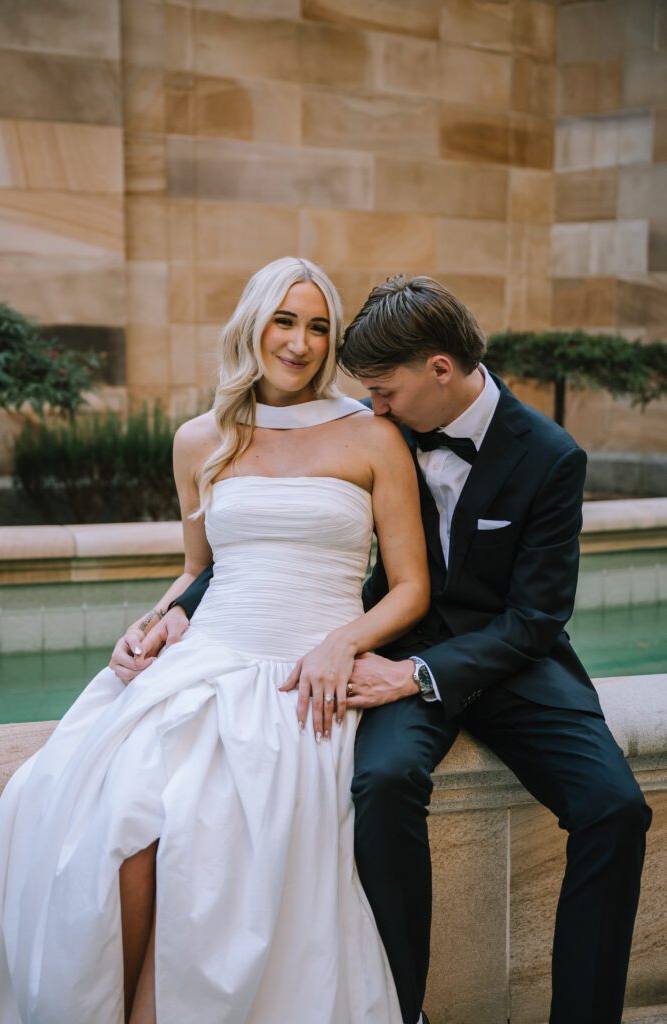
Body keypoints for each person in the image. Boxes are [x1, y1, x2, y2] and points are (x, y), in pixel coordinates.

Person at [141, 275, 652, 1024]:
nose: (372, 407)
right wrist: (178, 609)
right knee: (379, 787)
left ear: (439, 369)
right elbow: (270, 538)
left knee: (617, 809)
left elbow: (536, 619)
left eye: (383, 391)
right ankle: (398, 1007)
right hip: (391, 642)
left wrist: (416, 676)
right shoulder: (386, 428)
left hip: (508, 660)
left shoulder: (551, 456)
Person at [0, 258, 432, 1024]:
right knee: (102, 820)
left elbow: (410, 587)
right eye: (284, 321)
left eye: (318, 326)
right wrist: (151, 623)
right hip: (205, 659)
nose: (300, 342)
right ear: (252, 325)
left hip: (302, 680)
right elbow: (198, 570)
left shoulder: (373, 436)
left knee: (208, 838)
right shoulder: (201, 439)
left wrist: (341, 644)